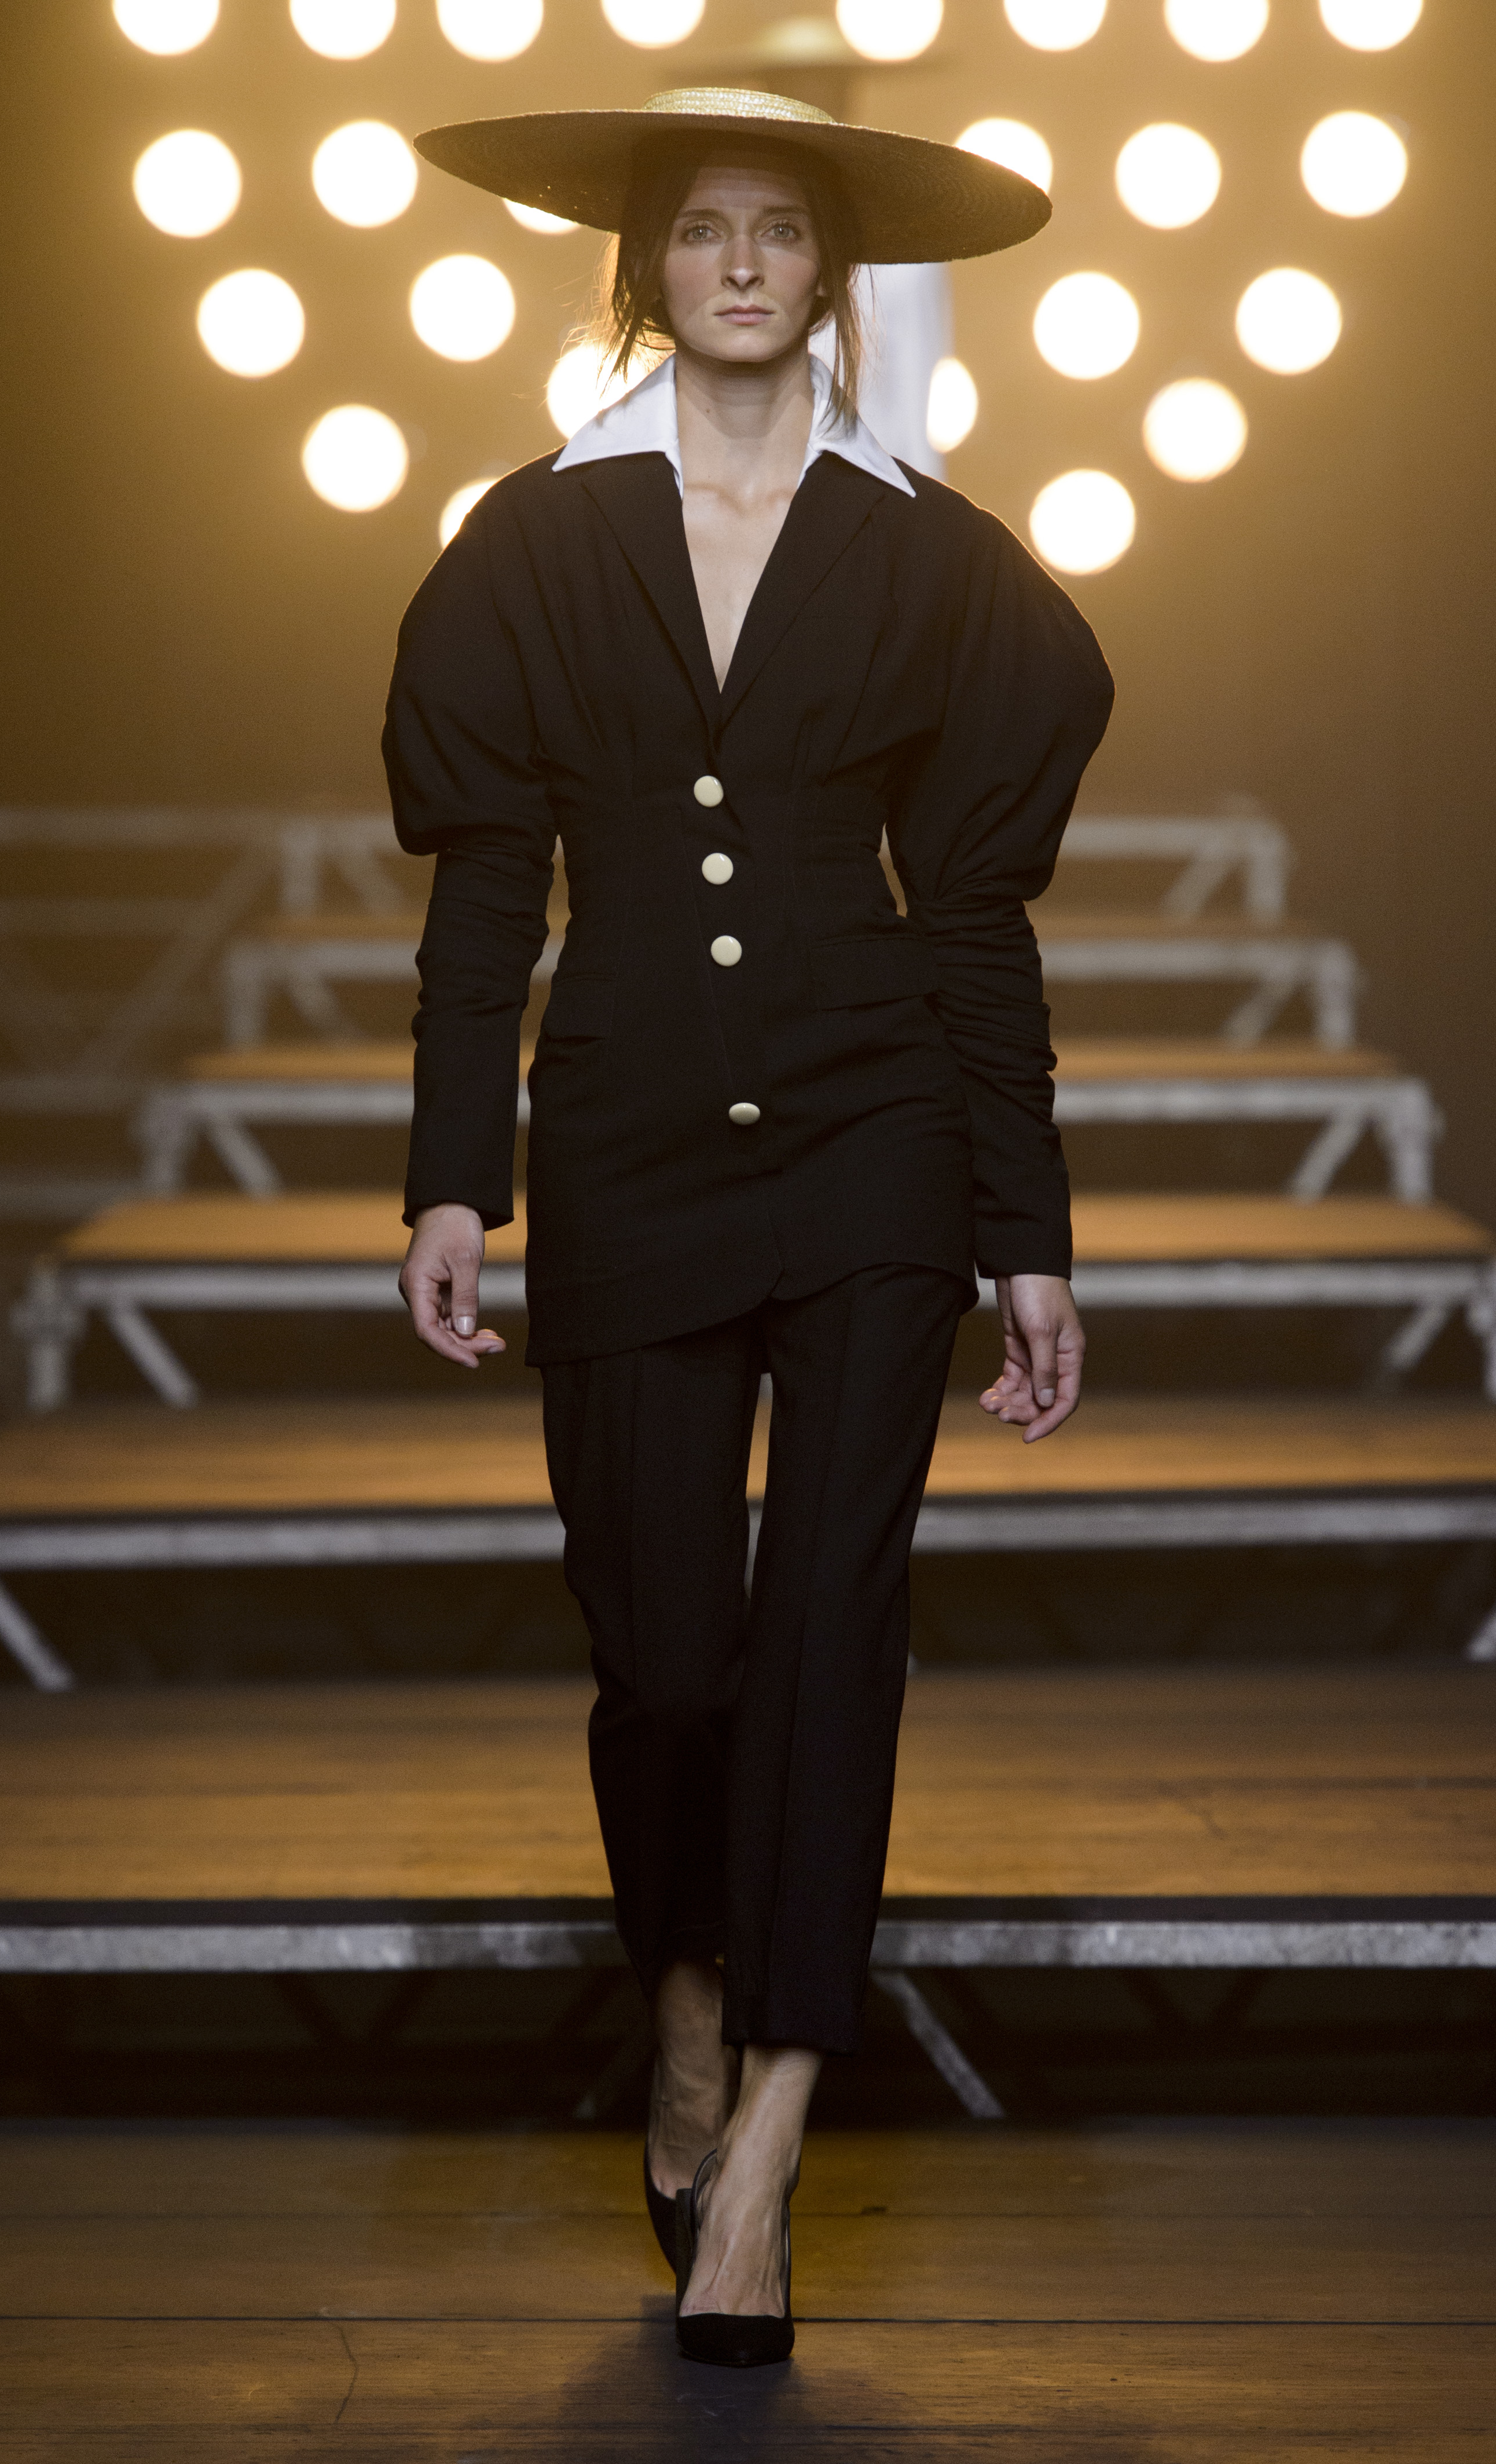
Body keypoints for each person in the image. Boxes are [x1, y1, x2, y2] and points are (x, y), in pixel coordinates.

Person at [384, 88, 1113, 2368]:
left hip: (874, 1133)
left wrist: (1023, 1223)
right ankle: (688, 2008)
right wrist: (451, 1172)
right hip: (622, 1140)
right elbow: (488, 889)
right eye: (699, 229)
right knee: (669, 1658)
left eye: (776, 230)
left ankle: (774, 2146)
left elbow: (972, 911)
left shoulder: (934, 557)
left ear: (827, 274)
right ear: (645, 268)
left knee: (828, 1635)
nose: (735, 263)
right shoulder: (531, 541)